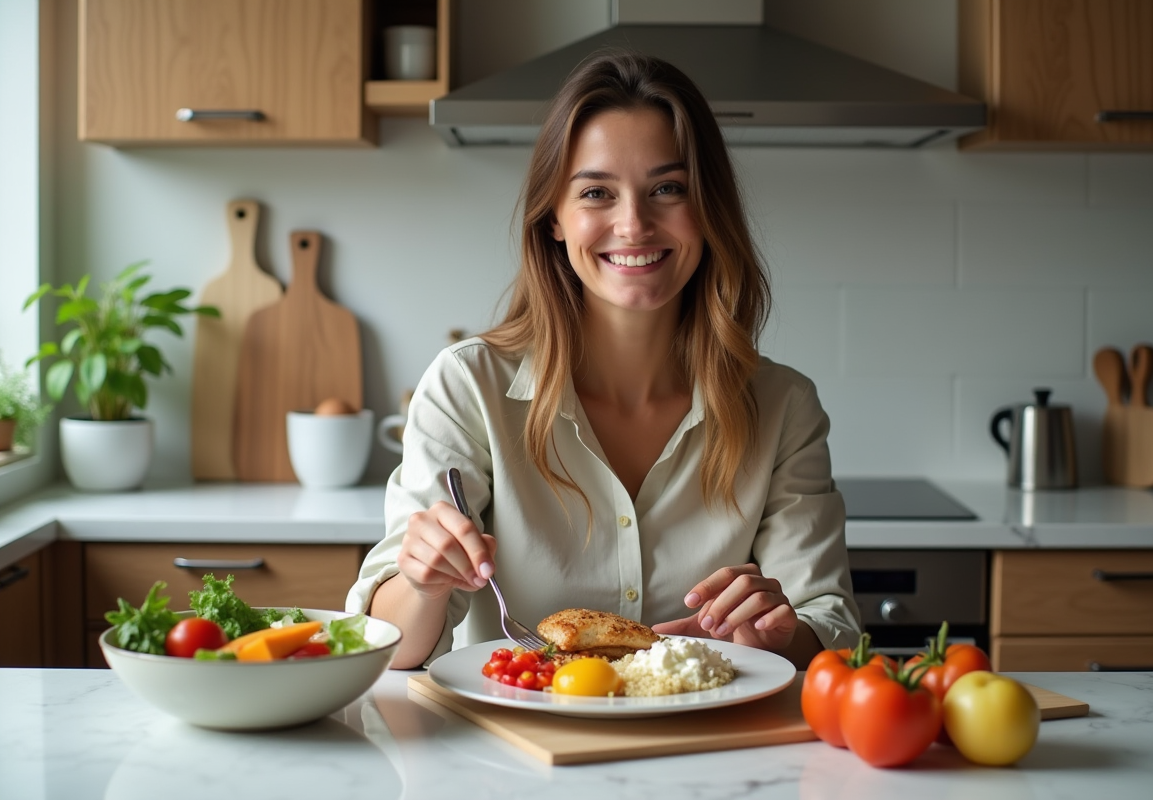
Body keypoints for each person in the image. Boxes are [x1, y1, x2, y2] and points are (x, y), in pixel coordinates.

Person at [347, 50, 861, 670]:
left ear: (708, 209)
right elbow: (388, 648)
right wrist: (423, 582)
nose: (634, 224)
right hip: (506, 730)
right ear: (554, 219)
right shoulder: (468, 386)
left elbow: (829, 624)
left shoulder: (784, 406)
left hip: (711, 729)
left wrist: (779, 636)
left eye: (668, 189)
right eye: (596, 192)